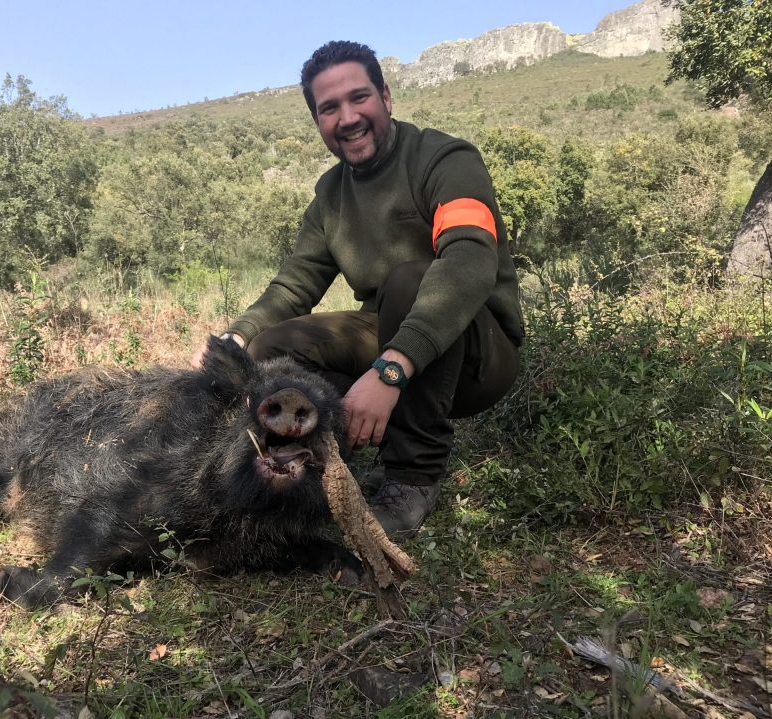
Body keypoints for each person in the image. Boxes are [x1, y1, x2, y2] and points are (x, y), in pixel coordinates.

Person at [191, 40, 524, 539]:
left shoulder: (446, 159)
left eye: (359, 98)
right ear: (318, 121)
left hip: (479, 353)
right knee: (271, 347)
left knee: (413, 278)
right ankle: (319, 460)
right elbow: (294, 284)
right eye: (329, 108)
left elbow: (469, 264)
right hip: (389, 332)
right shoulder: (330, 195)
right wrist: (233, 342)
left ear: (386, 97)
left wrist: (390, 372)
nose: (347, 117)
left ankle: (413, 479)